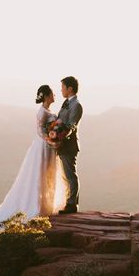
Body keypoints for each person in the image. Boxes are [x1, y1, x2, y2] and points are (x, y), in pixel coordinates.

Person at [0, 84, 67, 238]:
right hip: (42, 147)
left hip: (49, 148)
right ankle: (36, 206)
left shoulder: (50, 111)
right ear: (47, 96)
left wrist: (55, 139)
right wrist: (51, 140)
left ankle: (46, 205)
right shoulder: (41, 112)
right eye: (52, 93)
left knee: (48, 175)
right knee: (39, 176)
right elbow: (40, 131)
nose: (55, 95)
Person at [56, 76, 83, 214]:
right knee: (66, 175)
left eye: (62, 87)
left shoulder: (76, 105)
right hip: (62, 145)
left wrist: (61, 136)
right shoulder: (66, 103)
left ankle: (72, 204)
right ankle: (69, 201)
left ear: (70, 88)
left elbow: (71, 125)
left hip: (69, 145)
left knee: (71, 175)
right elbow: (60, 119)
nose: (61, 90)